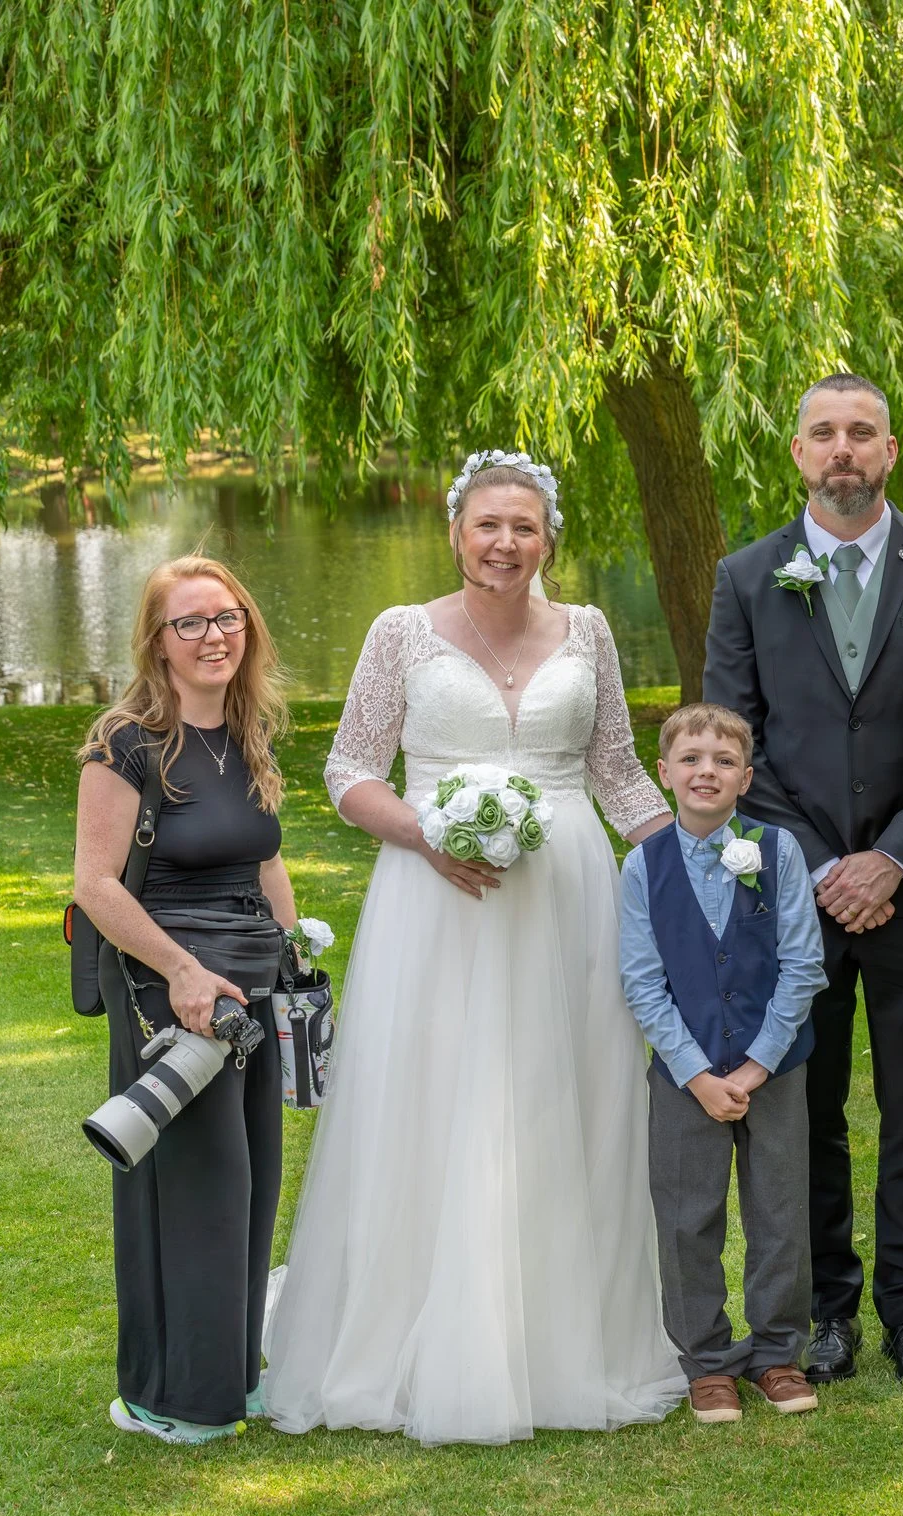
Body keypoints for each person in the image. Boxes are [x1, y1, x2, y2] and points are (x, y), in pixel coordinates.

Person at [261, 450, 686, 1445]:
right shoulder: (400, 632)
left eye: (525, 526)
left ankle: (571, 1341)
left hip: (570, 893)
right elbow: (351, 767)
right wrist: (425, 836)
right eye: (488, 524)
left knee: (566, 1093)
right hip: (436, 894)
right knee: (435, 1096)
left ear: (549, 538)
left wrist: (687, 867)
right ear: (456, 531)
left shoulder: (586, 630)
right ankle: (417, 1335)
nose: (505, 542)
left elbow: (616, 769)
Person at [703, 373, 903, 1390]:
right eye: (823, 433)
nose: (842, 449)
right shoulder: (746, 577)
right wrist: (827, 867)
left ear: (890, 450)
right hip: (795, 892)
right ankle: (829, 1310)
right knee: (806, 1106)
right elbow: (732, 737)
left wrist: (893, 856)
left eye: (860, 432)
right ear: (796, 453)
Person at [73, 553, 301, 1444]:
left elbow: (264, 858)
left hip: (252, 981)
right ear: (158, 642)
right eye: (192, 622)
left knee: (249, 1184)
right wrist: (181, 971)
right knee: (197, 1188)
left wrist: (295, 959)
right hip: (176, 991)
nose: (215, 636)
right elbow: (97, 884)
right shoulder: (124, 741)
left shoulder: (247, 730)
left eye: (229, 617)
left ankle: (231, 1376)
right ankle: (168, 1397)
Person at [619, 704, 828, 1424]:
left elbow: (804, 966)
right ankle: (706, 1360)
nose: (705, 769)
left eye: (722, 759)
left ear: (745, 775)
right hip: (685, 1074)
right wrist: (699, 1074)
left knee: (779, 1211)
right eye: (690, 757)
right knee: (685, 1216)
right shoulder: (641, 866)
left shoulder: (780, 850)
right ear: (665, 772)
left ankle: (776, 1351)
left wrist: (757, 1065)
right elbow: (643, 982)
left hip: (776, 1069)